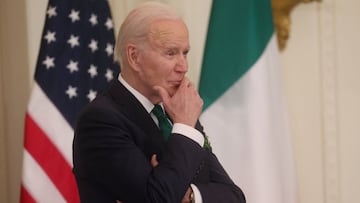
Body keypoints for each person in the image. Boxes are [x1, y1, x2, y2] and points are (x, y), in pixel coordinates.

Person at [72, 2, 246, 203]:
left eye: (185, 53)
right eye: (171, 53)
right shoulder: (100, 120)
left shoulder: (179, 117)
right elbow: (157, 198)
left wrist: (189, 196)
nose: (183, 66)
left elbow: (235, 197)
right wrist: (184, 129)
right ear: (134, 57)